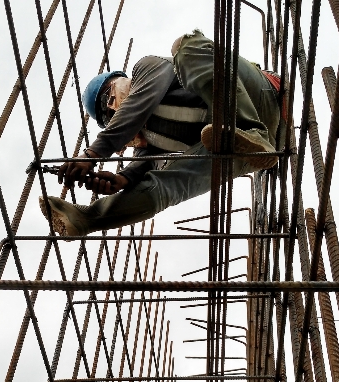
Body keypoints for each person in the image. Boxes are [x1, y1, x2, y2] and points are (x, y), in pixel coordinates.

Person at [40, 29, 281, 237]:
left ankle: (250, 129)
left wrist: (93, 153)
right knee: (168, 182)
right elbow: (142, 165)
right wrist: (122, 179)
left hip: (261, 94)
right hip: (253, 151)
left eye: (108, 97)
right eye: (106, 115)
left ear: (121, 81)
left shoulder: (149, 68)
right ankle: (88, 219)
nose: (111, 108)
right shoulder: (149, 142)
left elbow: (137, 106)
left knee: (186, 46)